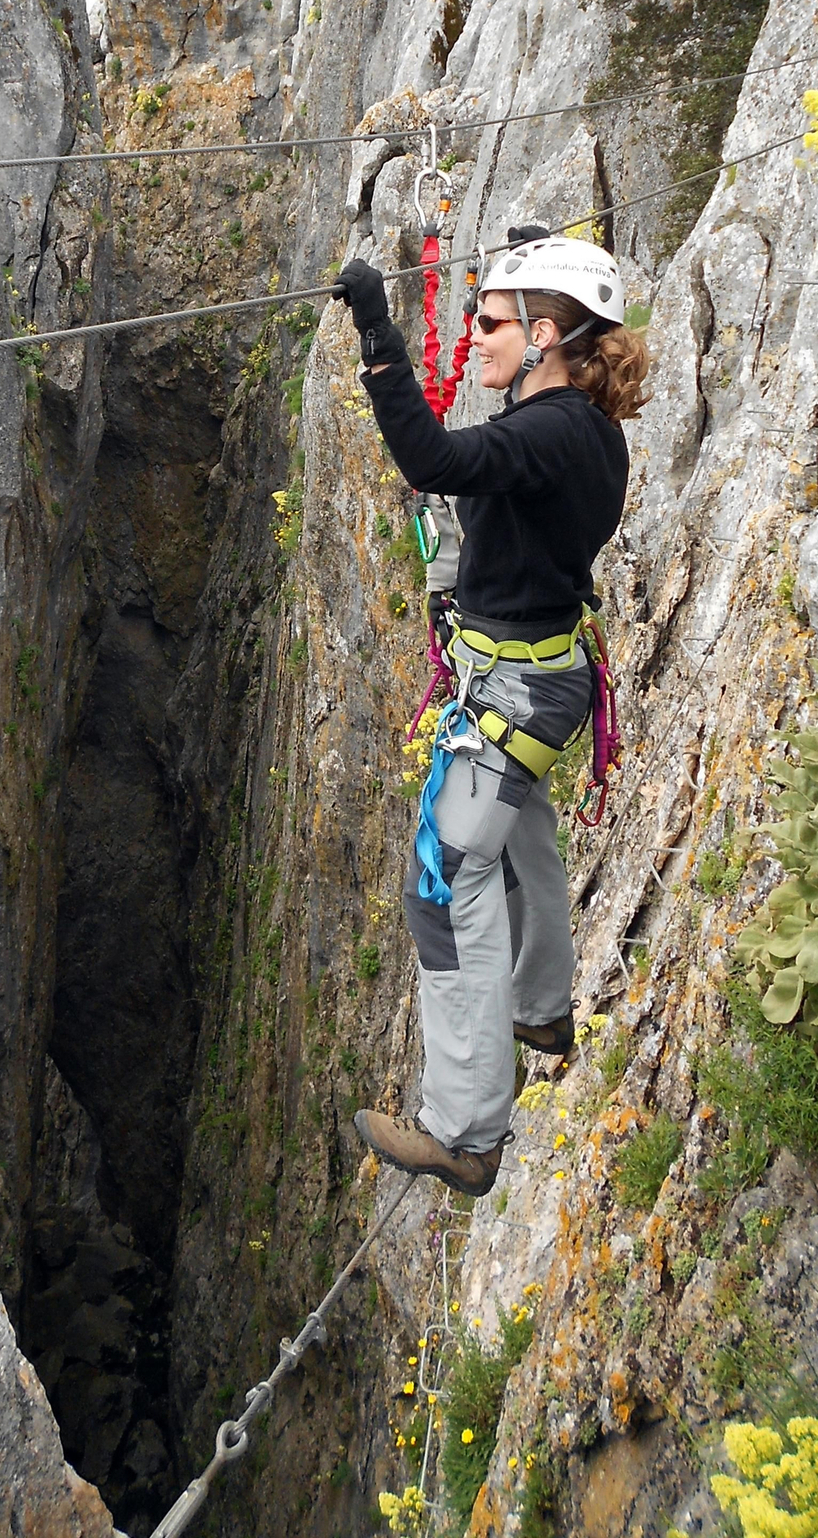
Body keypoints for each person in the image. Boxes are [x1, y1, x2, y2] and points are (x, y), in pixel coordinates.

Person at [333, 230, 650, 1195]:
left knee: (445, 880)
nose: (471, 334)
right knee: (520, 838)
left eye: (490, 319)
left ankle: (465, 1129)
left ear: (545, 334)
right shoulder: (573, 426)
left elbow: (432, 451)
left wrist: (382, 335)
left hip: (514, 688)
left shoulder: (550, 433)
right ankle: (542, 1007)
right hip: (534, 678)